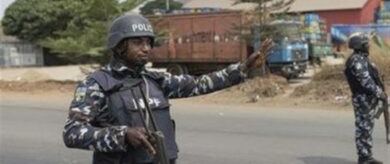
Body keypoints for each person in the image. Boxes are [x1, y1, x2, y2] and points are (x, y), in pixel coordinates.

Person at [63, 13, 270, 164]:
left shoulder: (155, 80)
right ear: (118, 46)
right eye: (137, 42)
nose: (146, 48)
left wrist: (243, 68)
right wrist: (122, 135)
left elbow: (198, 84)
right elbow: (72, 133)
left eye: (148, 42)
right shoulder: (97, 84)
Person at [344, 33, 387, 164]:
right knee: (364, 127)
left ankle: (366, 155)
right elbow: (365, 81)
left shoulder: (362, 59)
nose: (368, 46)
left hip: (367, 98)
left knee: (367, 127)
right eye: (366, 44)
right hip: (362, 98)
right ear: (360, 46)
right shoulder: (356, 60)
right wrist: (379, 92)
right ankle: (364, 157)